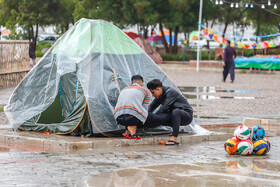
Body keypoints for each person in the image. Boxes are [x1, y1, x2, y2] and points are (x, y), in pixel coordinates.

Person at [144, 79, 193, 145]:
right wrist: (145, 116)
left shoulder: (170, 92)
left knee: (176, 111)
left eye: (153, 92)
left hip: (186, 116)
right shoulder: (159, 95)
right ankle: (177, 129)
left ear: (158, 89)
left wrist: (154, 118)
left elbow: (164, 107)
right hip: (173, 116)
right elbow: (151, 107)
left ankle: (174, 138)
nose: (152, 95)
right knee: (160, 117)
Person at [113, 75, 150, 139]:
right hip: (132, 118)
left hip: (118, 118)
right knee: (142, 114)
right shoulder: (145, 90)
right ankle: (133, 132)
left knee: (129, 111)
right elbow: (145, 108)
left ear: (132, 82)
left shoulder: (124, 89)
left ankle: (127, 131)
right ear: (142, 83)